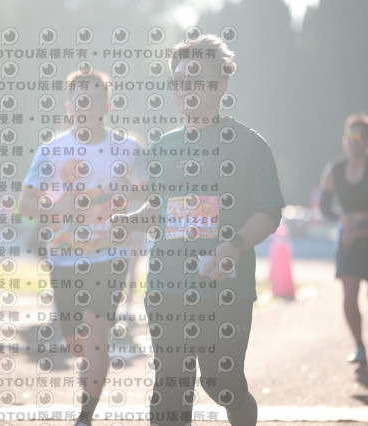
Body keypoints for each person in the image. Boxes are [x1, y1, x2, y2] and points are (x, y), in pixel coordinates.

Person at [112, 34, 284, 426]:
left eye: (196, 79)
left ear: (221, 84)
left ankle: (239, 408)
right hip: (167, 286)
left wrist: (233, 245)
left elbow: (269, 213)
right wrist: (128, 221)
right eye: (178, 81)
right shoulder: (162, 148)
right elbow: (160, 211)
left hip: (225, 290)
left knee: (222, 384)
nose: (185, 88)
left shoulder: (250, 146)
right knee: (171, 385)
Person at [19, 69, 146, 426]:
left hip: (110, 255)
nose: (86, 106)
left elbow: (150, 195)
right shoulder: (51, 150)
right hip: (64, 257)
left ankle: (85, 414)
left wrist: (121, 194)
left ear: (107, 105)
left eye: (94, 100)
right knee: (76, 341)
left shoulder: (128, 149)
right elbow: (26, 204)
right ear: (69, 106)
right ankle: (87, 369)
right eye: (80, 100)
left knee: (97, 332)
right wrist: (58, 207)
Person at [319, 113, 368, 364]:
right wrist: (343, 219)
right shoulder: (334, 170)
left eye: (358, 136)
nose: (352, 140)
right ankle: (359, 345)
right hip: (349, 241)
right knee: (349, 294)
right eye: (349, 135)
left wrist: (361, 224)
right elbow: (325, 207)